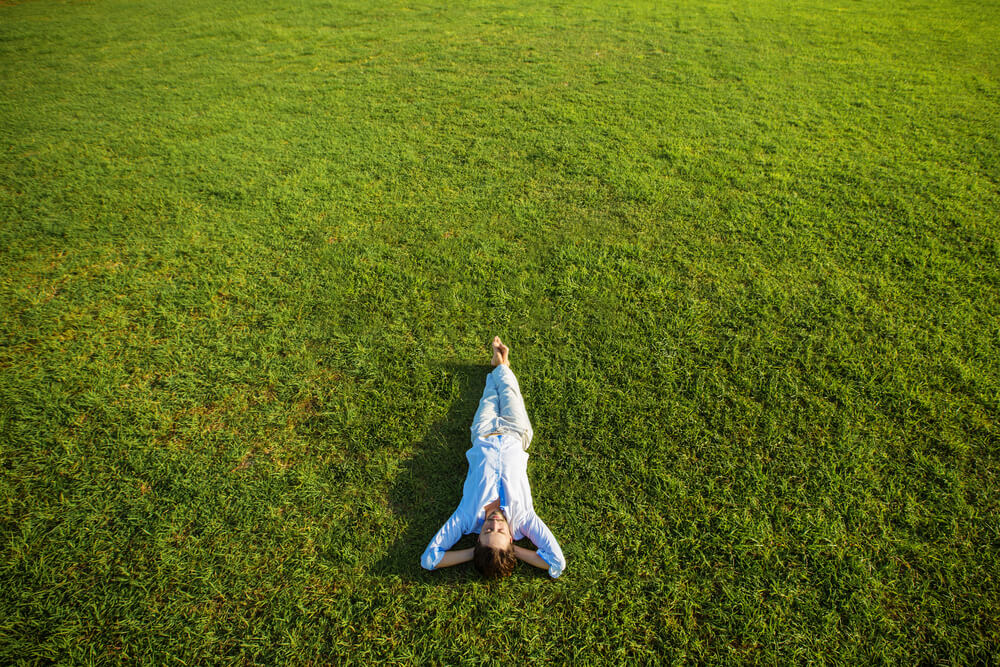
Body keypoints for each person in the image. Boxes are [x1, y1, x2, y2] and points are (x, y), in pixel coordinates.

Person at [420, 337, 566, 579]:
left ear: (478, 537)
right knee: (509, 391)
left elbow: (430, 559)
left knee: (489, 394)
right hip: (515, 432)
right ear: (511, 537)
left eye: (488, 530)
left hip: (484, 431)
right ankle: (502, 364)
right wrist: (512, 550)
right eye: (500, 530)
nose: (495, 522)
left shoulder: (467, 515)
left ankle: (498, 364)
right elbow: (556, 562)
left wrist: (476, 551)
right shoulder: (524, 519)